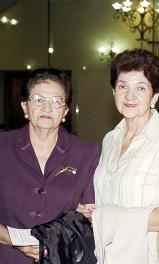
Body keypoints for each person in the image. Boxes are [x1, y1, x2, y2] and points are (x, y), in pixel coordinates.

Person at [93, 49, 159, 263]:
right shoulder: (110, 140)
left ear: (155, 96)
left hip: (149, 256)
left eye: (140, 88)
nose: (129, 96)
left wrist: (110, 217)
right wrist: (95, 212)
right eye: (122, 86)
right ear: (114, 91)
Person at [0, 68, 99, 263]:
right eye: (38, 100)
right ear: (25, 107)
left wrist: (89, 215)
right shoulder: (2, 146)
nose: (47, 108)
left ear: (65, 111)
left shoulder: (85, 152)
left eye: (56, 101)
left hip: (62, 257)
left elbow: (90, 213)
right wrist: (11, 239)